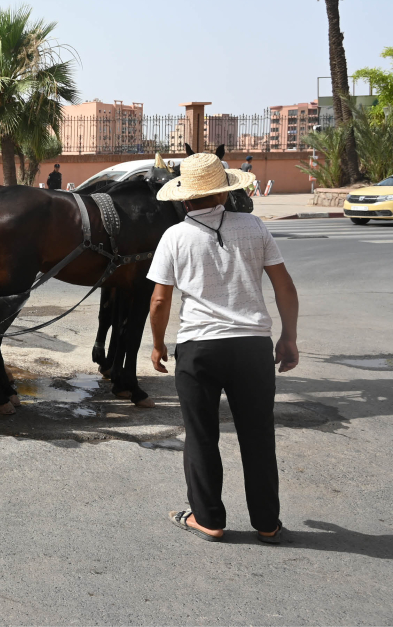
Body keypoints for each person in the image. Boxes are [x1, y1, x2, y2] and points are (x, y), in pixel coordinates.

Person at [147, 152, 299, 545]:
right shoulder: (253, 226)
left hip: (199, 349)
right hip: (251, 348)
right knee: (258, 435)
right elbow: (285, 287)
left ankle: (209, 518)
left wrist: (157, 344)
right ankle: (267, 524)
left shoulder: (175, 236)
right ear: (225, 194)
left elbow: (160, 301)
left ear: (184, 198)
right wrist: (289, 337)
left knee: (200, 434)